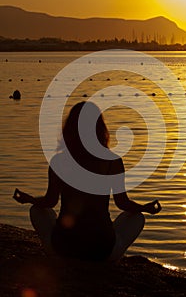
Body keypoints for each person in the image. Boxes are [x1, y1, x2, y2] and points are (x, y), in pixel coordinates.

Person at [13, 101, 161, 261]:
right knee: (137, 217)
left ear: (70, 129)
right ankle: (111, 257)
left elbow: (50, 201)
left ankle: (55, 253)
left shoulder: (59, 161)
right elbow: (122, 203)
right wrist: (145, 208)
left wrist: (29, 199)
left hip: (64, 246)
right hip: (102, 249)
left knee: (36, 210)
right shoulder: (112, 161)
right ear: (99, 128)